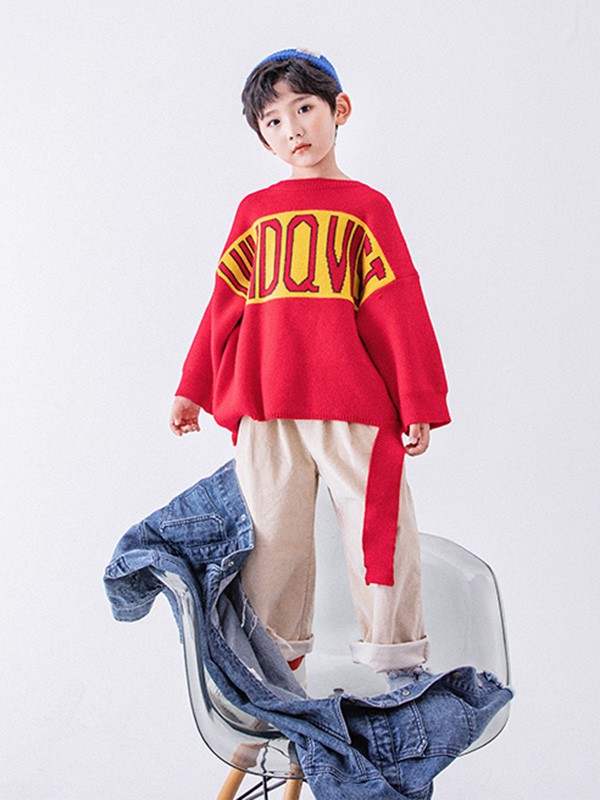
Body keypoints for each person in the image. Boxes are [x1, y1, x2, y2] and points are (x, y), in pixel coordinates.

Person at [169, 48, 451, 690]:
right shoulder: (254, 212)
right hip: (268, 408)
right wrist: (193, 387)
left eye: (304, 109)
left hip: (355, 406)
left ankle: (401, 675)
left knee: (381, 534)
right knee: (270, 545)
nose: (292, 129)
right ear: (262, 137)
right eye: (273, 120)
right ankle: (273, 684)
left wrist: (417, 399)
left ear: (338, 110)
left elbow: (398, 307)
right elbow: (224, 306)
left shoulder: (367, 207)